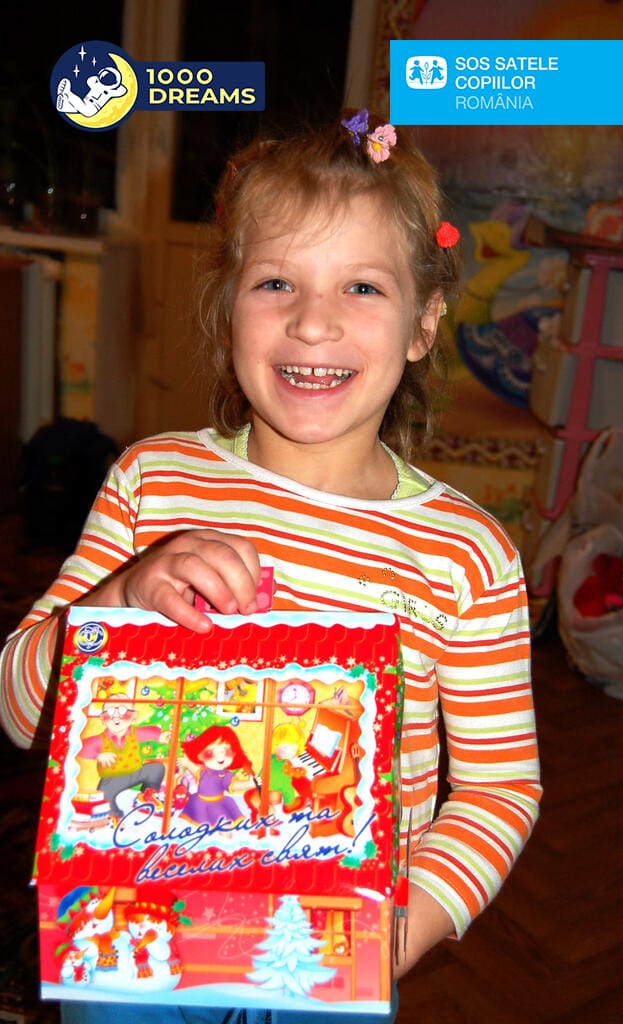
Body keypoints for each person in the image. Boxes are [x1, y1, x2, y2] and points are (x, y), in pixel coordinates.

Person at [0, 109, 541, 1024]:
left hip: (324, 959)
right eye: (276, 281)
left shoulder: (467, 554)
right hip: (130, 939)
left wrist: (406, 926)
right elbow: (19, 713)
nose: (313, 321)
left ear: (423, 323)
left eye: (362, 287)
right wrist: (118, 599)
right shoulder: (150, 483)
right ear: (227, 309)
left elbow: (499, 789)